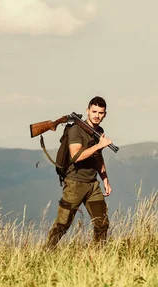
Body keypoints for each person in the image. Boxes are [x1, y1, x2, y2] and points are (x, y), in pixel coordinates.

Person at [46, 96, 113, 248]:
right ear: (87, 111)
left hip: (92, 184)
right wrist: (99, 146)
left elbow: (98, 157)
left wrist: (105, 179)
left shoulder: (99, 131)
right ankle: (46, 252)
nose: (97, 115)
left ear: (105, 114)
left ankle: (99, 257)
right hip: (75, 183)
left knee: (102, 223)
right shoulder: (76, 129)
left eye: (100, 113)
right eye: (94, 111)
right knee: (63, 223)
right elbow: (76, 156)